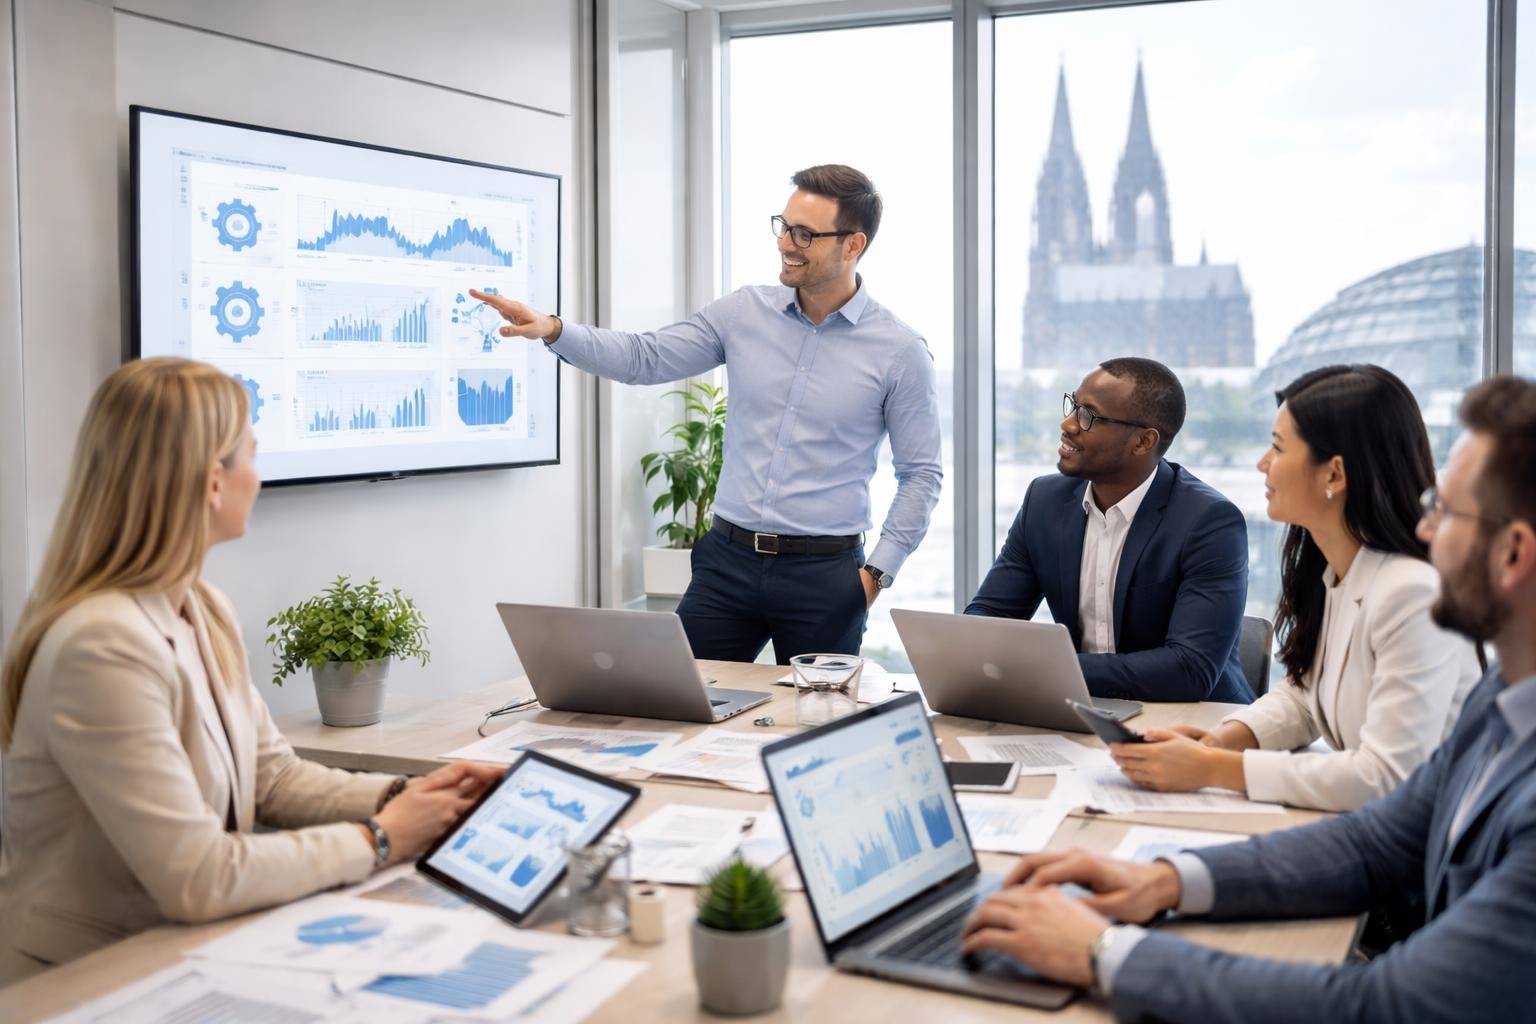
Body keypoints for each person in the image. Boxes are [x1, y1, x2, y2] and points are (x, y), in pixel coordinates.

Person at [959, 374, 1536, 1022]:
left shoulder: (1408, 594)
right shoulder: (1501, 699)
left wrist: (1101, 952)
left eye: (1447, 512)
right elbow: (1373, 842)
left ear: (1513, 553)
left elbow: (1389, 1005)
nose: (1428, 532)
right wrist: (1164, 880)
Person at [0, 358, 503, 983]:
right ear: (214, 482)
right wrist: (381, 838)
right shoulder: (102, 645)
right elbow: (197, 876)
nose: (258, 480)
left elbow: (274, 780)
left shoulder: (202, 608)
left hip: (184, 955)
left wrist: (413, 798)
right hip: (86, 979)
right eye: (252, 457)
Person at [468, 165, 942, 664]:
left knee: (814, 730)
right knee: (681, 710)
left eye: (805, 234)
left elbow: (921, 476)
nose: (785, 243)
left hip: (824, 577)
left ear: (853, 245)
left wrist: (875, 578)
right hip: (727, 566)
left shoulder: (899, 351)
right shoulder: (743, 314)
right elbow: (643, 357)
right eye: (784, 226)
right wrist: (554, 329)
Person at [1110, 365, 1480, 812]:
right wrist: (1219, 741)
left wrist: (1210, 769)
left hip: (1424, 853)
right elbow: (1305, 697)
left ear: (1334, 475)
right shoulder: (1336, 573)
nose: (1262, 463)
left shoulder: (1412, 594)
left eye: (1278, 447)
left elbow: (1385, 777)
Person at [966, 358, 1251, 702]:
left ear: (1144, 442)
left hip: (1195, 723)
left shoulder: (1209, 522)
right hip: (1084, 706)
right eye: (1073, 405)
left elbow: (1188, 669)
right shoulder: (1044, 502)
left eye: (1089, 415)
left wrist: (1045, 667)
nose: (1068, 423)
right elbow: (987, 619)